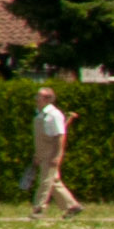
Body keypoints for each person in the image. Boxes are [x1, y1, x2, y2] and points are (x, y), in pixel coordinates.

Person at [31, 87, 82, 217]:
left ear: (48, 99)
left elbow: (60, 136)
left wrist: (58, 155)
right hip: (42, 152)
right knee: (53, 182)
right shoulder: (40, 113)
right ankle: (72, 206)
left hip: (51, 152)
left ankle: (39, 209)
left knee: (45, 181)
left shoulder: (55, 114)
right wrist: (37, 154)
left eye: (39, 96)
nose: (36, 99)